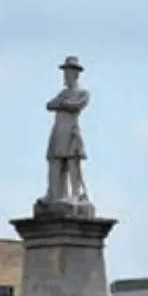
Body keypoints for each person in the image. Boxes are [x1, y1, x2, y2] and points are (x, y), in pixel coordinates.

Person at [43, 56, 90, 203]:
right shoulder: (63, 93)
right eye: (65, 73)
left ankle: (76, 193)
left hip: (71, 131)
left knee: (72, 160)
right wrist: (63, 103)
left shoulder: (83, 92)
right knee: (54, 160)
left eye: (68, 72)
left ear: (75, 74)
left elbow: (76, 105)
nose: (66, 76)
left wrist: (62, 104)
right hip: (58, 130)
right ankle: (53, 193)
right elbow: (49, 105)